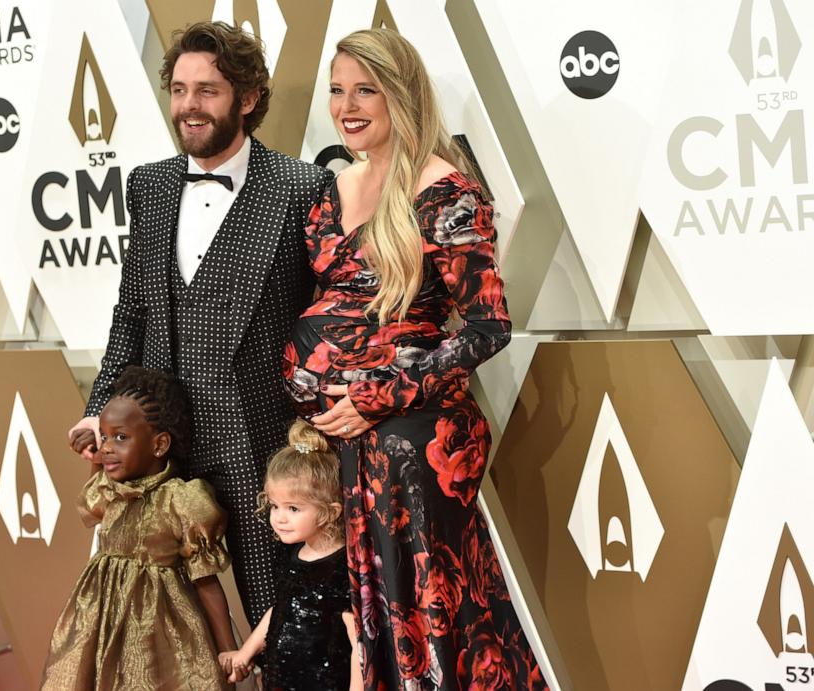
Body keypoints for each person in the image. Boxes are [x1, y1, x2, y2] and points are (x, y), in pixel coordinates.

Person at [282, 29, 549, 690]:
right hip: (348, 445)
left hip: (415, 444)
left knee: (433, 620)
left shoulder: (443, 189)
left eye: (365, 89)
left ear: (401, 94)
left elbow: (488, 327)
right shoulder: (332, 186)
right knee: (378, 621)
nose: (347, 104)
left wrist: (377, 394)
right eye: (338, 90)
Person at [67, 21, 335, 626]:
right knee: (164, 628)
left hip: (260, 444)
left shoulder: (299, 188)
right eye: (180, 89)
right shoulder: (150, 184)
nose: (189, 105)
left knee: (282, 622)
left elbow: (325, 322)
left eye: (207, 90)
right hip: (161, 452)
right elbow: (131, 311)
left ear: (247, 98)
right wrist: (101, 407)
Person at [43, 366, 236, 690]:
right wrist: (94, 451)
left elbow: (206, 580)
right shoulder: (111, 488)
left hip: (159, 627)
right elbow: (93, 502)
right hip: (100, 619)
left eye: (120, 438)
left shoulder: (181, 499)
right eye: (103, 437)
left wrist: (229, 649)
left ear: (159, 444)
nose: (106, 448)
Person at [218, 419, 360, 690]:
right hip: (283, 679)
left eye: (293, 509)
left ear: (330, 512)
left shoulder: (343, 566)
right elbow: (280, 611)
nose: (279, 519)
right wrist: (245, 653)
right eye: (274, 506)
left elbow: (358, 640)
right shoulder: (290, 554)